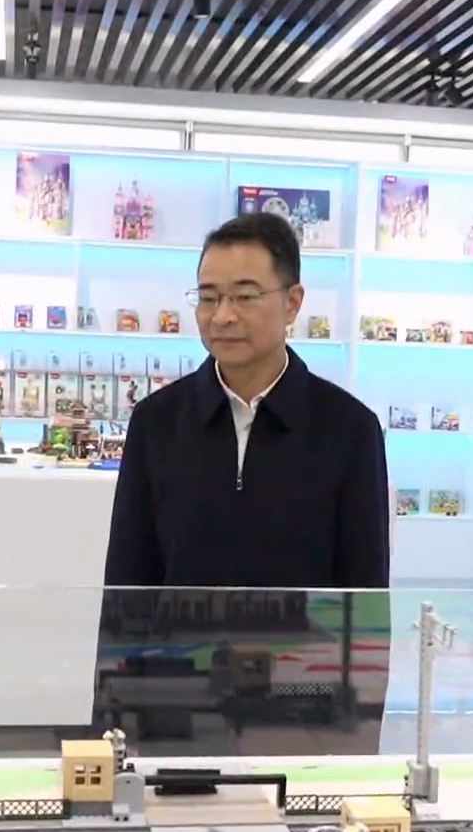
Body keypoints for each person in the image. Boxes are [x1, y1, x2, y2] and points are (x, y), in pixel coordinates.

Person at [104, 212, 390, 588]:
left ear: (292, 303)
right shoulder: (156, 421)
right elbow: (128, 577)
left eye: (244, 297)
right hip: (183, 631)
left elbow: (364, 589)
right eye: (208, 298)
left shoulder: (350, 429)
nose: (222, 316)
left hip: (301, 630)